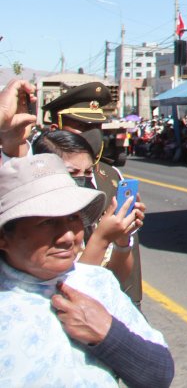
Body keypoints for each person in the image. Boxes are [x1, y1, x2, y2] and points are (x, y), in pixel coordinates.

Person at [0, 153, 173, 387]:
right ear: (3, 238)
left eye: (73, 218)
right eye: (47, 222)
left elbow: (159, 375)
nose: (68, 237)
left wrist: (107, 334)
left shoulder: (97, 282)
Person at [40, 82, 145, 307]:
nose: (92, 134)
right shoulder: (41, 179)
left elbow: (122, 265)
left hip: (113, 301)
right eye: (80, 125)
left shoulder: (111, 175)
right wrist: (103, 237)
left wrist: (123, 236)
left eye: (96, 125)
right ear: (55, 127)